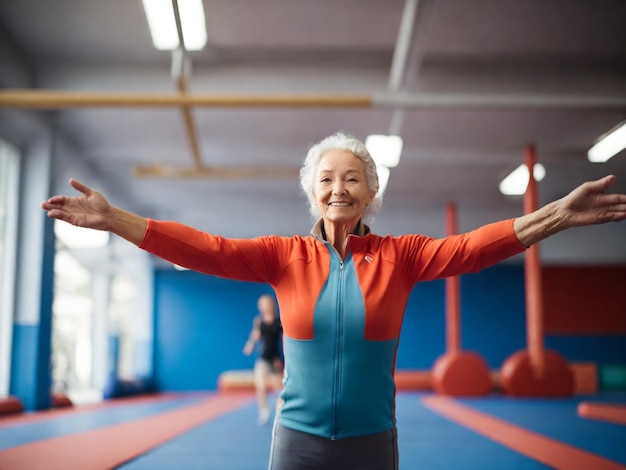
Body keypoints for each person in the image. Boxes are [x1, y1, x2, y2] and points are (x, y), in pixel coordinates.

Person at [41, 132, 626, 470]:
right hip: (296, 442)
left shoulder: (404, 255)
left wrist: (553, 217)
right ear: (311, 191)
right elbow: (208, 250)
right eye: (325, 179)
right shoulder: (281, 255)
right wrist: (115, 219)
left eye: (351, 179)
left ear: (370, 192)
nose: (337, 188)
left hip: (375, 443)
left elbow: (473, 248)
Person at [243, 294, 284, 425]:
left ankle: (280, 410)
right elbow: (256, 335)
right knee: (260, 385)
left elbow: (285, 339)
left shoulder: (279, 322)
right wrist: (250, 344)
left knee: (280, 387)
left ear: (271, 306)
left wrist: (284, 359)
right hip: (263, 358)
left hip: (275, 358)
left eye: (266, 305)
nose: (264, 308)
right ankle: (263, 411)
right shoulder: (259, 321)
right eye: (262, 305)